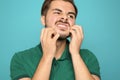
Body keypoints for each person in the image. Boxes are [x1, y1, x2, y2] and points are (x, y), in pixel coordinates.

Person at [10, 0, 101, 80]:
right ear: (43, 19)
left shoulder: (88, 57)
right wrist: (48, 56)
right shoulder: (20, 59)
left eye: (70, 16)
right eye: (57, 12)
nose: (65, 18)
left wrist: (75, 54)